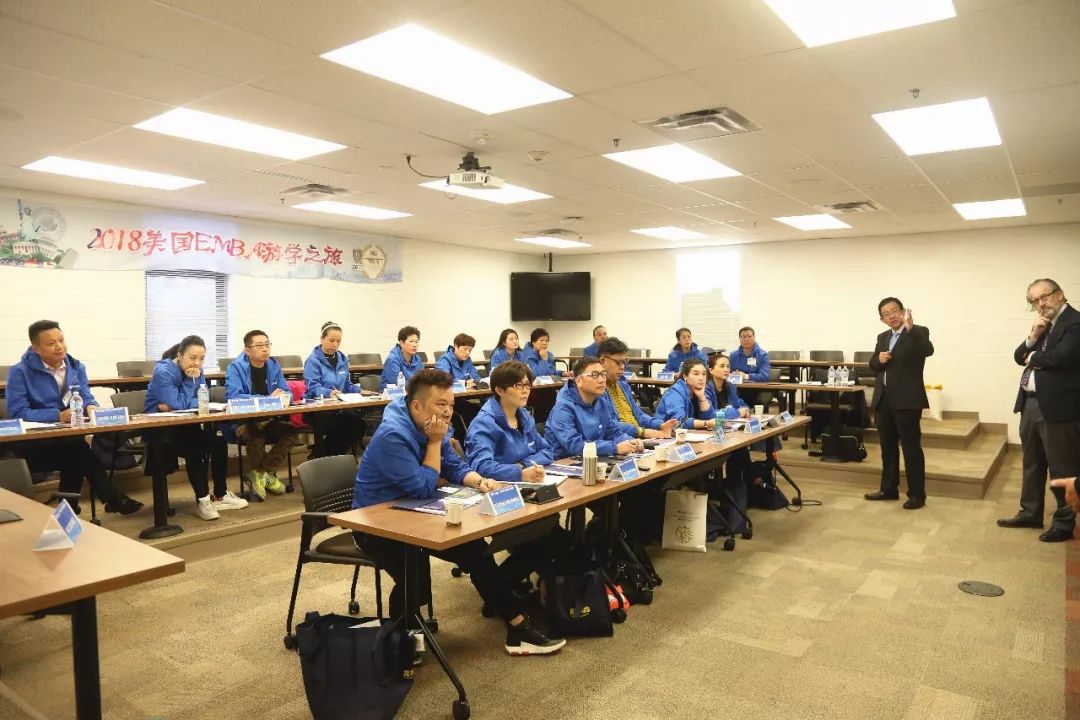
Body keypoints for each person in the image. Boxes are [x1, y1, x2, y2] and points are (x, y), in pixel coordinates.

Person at [352, 369, 565, 656]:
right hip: (378, 526)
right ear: (417, 405)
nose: (448, 412)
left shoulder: (433, 425)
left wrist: (479, 481)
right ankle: (399, 641)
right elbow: (422, 487)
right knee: (416, 581)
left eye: (451, 405)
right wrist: (434, 442)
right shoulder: (393, 435)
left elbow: (453, 466)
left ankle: (518, 626)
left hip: (419, 514)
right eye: (441, 404)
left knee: (476, 552)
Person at [6, 320, 141, 515]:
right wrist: (57, 415)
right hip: (35, 443)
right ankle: (108, 499)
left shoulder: (76, 367)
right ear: (36, 348)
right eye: (51, 343)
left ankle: (70, 507)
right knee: (78, 453)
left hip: (67, 437)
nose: (59, 346)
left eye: (61, 340)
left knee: (76, 451)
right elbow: (18, 412)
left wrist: (91, 407)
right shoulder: (20, 372)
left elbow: (85, 396)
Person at [465, 361, 568, 588]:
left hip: (530, 492)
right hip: (499, 497)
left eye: (527, 385)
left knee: (558, 538)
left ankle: (548, 585)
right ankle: (501, 588)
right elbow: (481, 466)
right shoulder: (484, 423)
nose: (525, 390)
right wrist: (520, 472)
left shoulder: (524, 416)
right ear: (500, 390)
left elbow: (547, 451)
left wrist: (524, 466)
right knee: (548, 541)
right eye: (519, 385)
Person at [1000, 279, 1080, 542]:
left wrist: (1031, 357)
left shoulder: (1074, 323)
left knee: (1062, 468)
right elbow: (1017, 356)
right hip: (1031, 403)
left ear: (1060, 294)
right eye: (1034, 301)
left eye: (1044, 297)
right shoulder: (1045, 325)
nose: (1040, 304)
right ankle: (1030, 513)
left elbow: (1060, 358)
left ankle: (1064, 523)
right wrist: (1032, 338)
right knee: (1032, 462)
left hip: (1058, 407)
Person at [145, 335, 248, 521]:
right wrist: (187, 386)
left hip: (185, 424)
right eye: (192, 358)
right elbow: (179, 402)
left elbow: (202, 399)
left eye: (201, 359)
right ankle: (203, 500)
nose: (197, 363)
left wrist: (176, 404)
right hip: (160, 429)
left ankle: (220, 495)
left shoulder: (197, 371)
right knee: (194, 449)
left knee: (218, 443)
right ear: (179, 355)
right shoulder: (163, 372)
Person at [864, 297, 934, 509]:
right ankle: (888, 489)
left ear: (903, 311)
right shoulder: (882, 337)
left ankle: (917, 495)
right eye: (886, 314)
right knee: (887, 448)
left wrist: (910, 329)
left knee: (911, 449)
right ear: (882, 319)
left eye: (895, 311)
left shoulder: (918, 331)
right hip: (883, 400)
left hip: (907, 400)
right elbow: (873, 364)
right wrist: (879, 360)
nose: (892, 316)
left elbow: (928, 350)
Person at [225, 330, 300, 499]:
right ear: (247, 350)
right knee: (255, 433)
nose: (265, 349)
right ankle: (266, 477)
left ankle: (260, 474)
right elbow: (234, 396)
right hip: (243, 422)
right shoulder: (235, 368)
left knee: (291, 433)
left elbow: (287, 392)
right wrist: (267, 399)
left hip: (269, 420)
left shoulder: (273, 365)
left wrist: (284, 396)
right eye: (259, 346)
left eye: (267, 345)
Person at [544, 357, 642, 458]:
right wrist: (615, 448)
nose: (601, 380)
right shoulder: (563, 408)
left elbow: (612, 431)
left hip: (596, 457)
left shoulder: (601, 402)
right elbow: (575, 446)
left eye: (603, 374)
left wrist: (630, 441)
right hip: (565, 462)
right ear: (578, 380)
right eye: (594, 375)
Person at [303, 321, 366, 457]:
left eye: (338, 341)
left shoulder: (342, 360)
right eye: (331, 340)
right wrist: (329, 392)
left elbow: (346, 384)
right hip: (317, 410)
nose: (335, 344)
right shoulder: (313, 361)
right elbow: (312, 387)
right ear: (322, 339)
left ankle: (328, 454)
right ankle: (323, 455)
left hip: (337, 407)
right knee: (342, 425)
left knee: (359, 424)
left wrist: (360, 391)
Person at [595, 337, 677, 440]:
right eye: (618, 362)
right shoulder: (596, 389)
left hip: (636, 438)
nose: (622, 367)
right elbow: (609, 425)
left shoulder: (622, 384)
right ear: (603, 361)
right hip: (619, 441)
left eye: (624, 362)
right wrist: (643, 432)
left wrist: (661, 425)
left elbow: (638, 415)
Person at [655, 358, 719, 431]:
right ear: (685, 376)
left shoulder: (699, 390)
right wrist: (706, 423)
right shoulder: (674, 392)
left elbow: (711, 418)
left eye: (704, 374)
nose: (701, 378)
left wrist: (701, 396)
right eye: (696, 374)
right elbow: (679, 421)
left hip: (686, 434)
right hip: (663, 434)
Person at [729, 326, 772, 410]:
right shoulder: (733, 355)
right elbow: (728, 374)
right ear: (739, 339)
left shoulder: (763, 355)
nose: (746, 339)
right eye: (743, 337)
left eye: (749, 336)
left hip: (756, 388)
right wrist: (733, 375)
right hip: (738, 387)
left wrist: (746, 376)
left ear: (754, 337)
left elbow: (765, 376)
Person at [706, 353, 751, 420]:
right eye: (722, 366)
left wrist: (746, 410)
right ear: (711, 370)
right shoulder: (706, 388)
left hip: (729, 423)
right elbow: (710, 414)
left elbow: (742, 405)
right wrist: (737, 413)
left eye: (728, 366)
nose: (726, 370)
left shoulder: (730, 386)